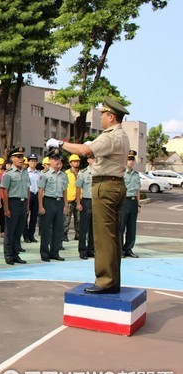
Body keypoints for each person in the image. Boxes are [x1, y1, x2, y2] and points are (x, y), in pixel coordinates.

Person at [46, 97, 130, 294]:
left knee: (102, 236)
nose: (100, 118)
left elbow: (84, 151)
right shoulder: (122, 135)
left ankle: (105, 281)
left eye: (103, 115)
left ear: (111, 116)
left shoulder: (110, 136)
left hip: (105, 185)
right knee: (113, 235)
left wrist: (59, 143)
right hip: (116, 184)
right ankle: (113, 280)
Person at [1, 147, 30, 265]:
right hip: (13, 202)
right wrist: (6, 208)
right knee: (10, 231)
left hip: (23, 203)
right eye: (18, 157)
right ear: (12, 158)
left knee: (18, 231)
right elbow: (5, 191)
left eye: (21, 157)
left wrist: (27, 204)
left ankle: (16, 253)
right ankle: (8, 255)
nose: (20, 159)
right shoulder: (8, 174)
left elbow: (28, 188)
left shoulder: (25, 172)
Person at [38, 148, 68, 262]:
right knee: (46, 229)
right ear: (50, 160)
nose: (57, 161)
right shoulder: (45, 175)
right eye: (54, 159)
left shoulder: (63, 175)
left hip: (59, 202)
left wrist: (65, 205)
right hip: (48, 201)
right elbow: (41, 191)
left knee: (58, 228)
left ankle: (55, 252)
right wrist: (41, 206)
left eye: (58, 159)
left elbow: (65, 190)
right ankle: (45, 253)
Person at [121, 150, 141, 258]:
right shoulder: (122, 173)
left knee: (132, 227)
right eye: (129, 159)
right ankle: (120, 250)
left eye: (132, 159)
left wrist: (138, 204)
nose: (131, 161)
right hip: (124, 201)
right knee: (121, 227)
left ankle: (128, 248)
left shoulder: (136, 174)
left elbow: (138, 190)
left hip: (133, 202)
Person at [75, 156, 94, 260]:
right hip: (86, 201)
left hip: (96, 202)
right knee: (84, 228)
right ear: (88, 160)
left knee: (94, 228)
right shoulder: (83, 172)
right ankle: (82, 250)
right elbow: (78, 188)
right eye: (92, 158)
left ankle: (91, 250)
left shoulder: (99, 172)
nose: (94, 161)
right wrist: (78, 202)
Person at [63, 154, 81, 241]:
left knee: (78, 218)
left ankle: (78, 234)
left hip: (79, 199)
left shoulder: (81, 173)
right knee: (67, 217)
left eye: (77, 161)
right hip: (69, 198)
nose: (76, 163)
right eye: (74, 161)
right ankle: (64, 233)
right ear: (70, 163)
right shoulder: (66, 173)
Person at [24, 154, 40, 243]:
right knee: (25, 216)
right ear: (28, 162)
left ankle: (31, 235)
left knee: (34, 217)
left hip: (36, 194)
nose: (33, 162)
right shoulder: (26, 173)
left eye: (34, 161)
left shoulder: (39, 173)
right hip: (28, 195)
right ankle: (25, 235)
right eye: (31, 161)